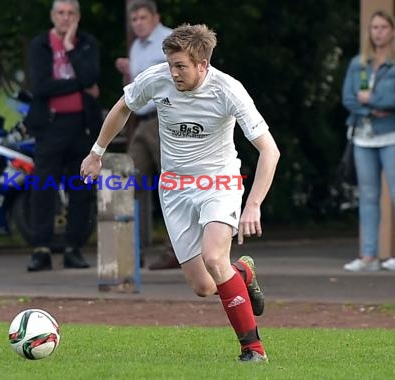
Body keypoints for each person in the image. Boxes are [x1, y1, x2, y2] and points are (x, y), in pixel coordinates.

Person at [81, 24, 279, 362]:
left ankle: (253, 349)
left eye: (181, 66)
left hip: (219, 182)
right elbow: (122, 107)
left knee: (215, 258)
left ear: (203, 65)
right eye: (171, 65)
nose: (173, 73)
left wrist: (254, 205)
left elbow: (269, 151)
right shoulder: (156, 78)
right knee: (204, 287)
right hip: (174, 188)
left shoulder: (229, 90)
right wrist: (97, 152)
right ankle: (242, 273)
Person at [24, 0, 102, 272]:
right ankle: (41, 249)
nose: (65, 18)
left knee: (80, 190)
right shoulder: (40, 45)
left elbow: (92, 74)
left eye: (70, 13)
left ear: (78, 17)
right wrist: (81, 84)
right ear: (52, 16)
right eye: (60, 13)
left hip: (82, 127)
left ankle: (73, 248)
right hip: (50, 127)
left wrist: (70, 48)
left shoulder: (86, 43)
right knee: (43, 188)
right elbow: (42, 86)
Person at [115, 0, 178, 270]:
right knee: (129, 179)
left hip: (167, 117)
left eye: (143, 18)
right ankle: (132, 250)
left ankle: (177, 250)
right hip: (142, 119)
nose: (138, 23)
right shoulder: (136, 47)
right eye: (134, 19)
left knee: (173, 185)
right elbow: (135, 87)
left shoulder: (170, 39)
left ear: (155, 18)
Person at [341, 10, 395, 272]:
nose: (378, 32)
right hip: (363, 136)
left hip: (391, 136)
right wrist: (372, 109)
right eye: (374, 28)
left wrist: (370, 101)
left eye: (384, 27)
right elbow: (349, 99)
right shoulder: (358, 63)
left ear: (392, 31)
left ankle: (392, 257)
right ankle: (368, 257)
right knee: (368, 196)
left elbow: (391, 101)